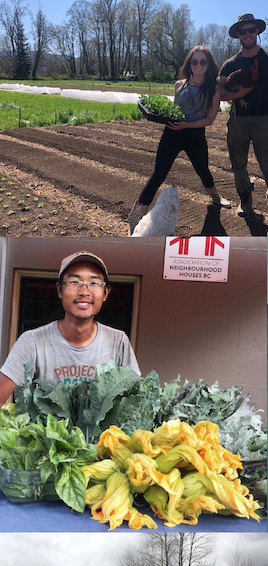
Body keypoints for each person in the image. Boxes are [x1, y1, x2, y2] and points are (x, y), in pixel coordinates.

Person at [0, 252, 139, 405]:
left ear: (105, 293)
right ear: (60, 290)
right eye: (74, 282)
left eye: (94, 283)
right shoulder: (33, 341)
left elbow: (135, 400)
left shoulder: (118, 341)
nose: (84, 291)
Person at [129, 47, 230, 234]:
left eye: (203, 61)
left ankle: (216, 197)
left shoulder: (214, 87)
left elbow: (210, 119)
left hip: (195, 136)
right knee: (157, 175)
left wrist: (187, 125)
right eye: (195, 61)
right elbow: (174, 111)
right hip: (172, 134)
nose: (198, 65)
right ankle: (136, 215)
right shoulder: (179, 85)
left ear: (208, 65)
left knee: (203, 171)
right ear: (189, 64)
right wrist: (155, 114)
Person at [219, 13, 268, 231]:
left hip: (263, 119)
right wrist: (239, 94)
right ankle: (245, 201)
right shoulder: (230, 64)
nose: (248, 34)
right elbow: (219, 92)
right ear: (238, 35)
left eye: (251, 30)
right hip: (237, 120)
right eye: (243, 31)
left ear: (257, 31)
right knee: (237, 164)